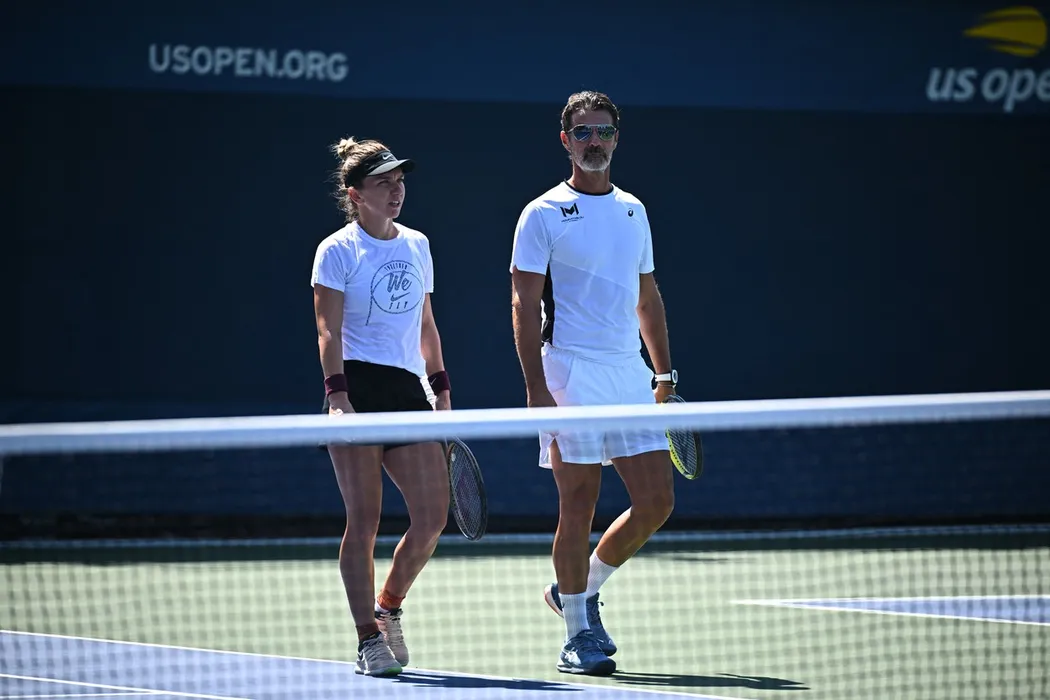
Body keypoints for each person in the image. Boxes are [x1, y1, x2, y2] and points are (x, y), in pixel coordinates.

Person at [509, 91, 678, 676]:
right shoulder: (541, 214)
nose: (595, 141)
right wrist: (536, 387)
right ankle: (577, 633)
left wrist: (663, 372)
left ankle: (577, 591)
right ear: (566, 141)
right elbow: (523, 304)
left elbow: (647, 296)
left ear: (616, 138)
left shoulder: (634, 210)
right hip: (570, 371)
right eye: (583, 132)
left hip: (629, 372)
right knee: (577, 503)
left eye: (604, 131)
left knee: (656, 502)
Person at [311, 136, 452, 677]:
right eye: (383, 183)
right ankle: (367, 639)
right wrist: (338, 398)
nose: (396, 190)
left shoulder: (417, 244)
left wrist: (441, 390)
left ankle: (387, 607)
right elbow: (327, 330)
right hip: (357, 388)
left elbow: (426, 323)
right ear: (356, 194)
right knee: (364, 520)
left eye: (399, 181)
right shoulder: (336, 250)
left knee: (432, 518)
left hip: (407, 391)